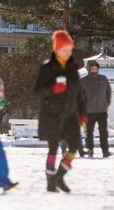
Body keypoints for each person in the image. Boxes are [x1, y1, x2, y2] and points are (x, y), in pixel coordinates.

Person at [35, 30, 85, 193]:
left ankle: (59, 176)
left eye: (70, 50)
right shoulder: (47, 67)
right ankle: (50, 181)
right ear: (57, 49)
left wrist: (83, 113)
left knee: (73, 148)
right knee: (53, 148)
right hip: (52, 115)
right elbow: (38, 91)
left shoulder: (72, 68)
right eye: (65, 50)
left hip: (70, 114)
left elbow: (79, 93)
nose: (68, 53)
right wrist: (53, 89)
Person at [81, 60, 112, 158]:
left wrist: (106, 104)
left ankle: (105, 150)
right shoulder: (83, 81)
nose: (94, 69)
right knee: (89, 132)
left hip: (102, 111)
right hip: (89, 111)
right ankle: (90, 149)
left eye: (96, 68)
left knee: (103, 132)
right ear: (89, 69)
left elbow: (108, 92)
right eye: (92, 68)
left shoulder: (103, 79)